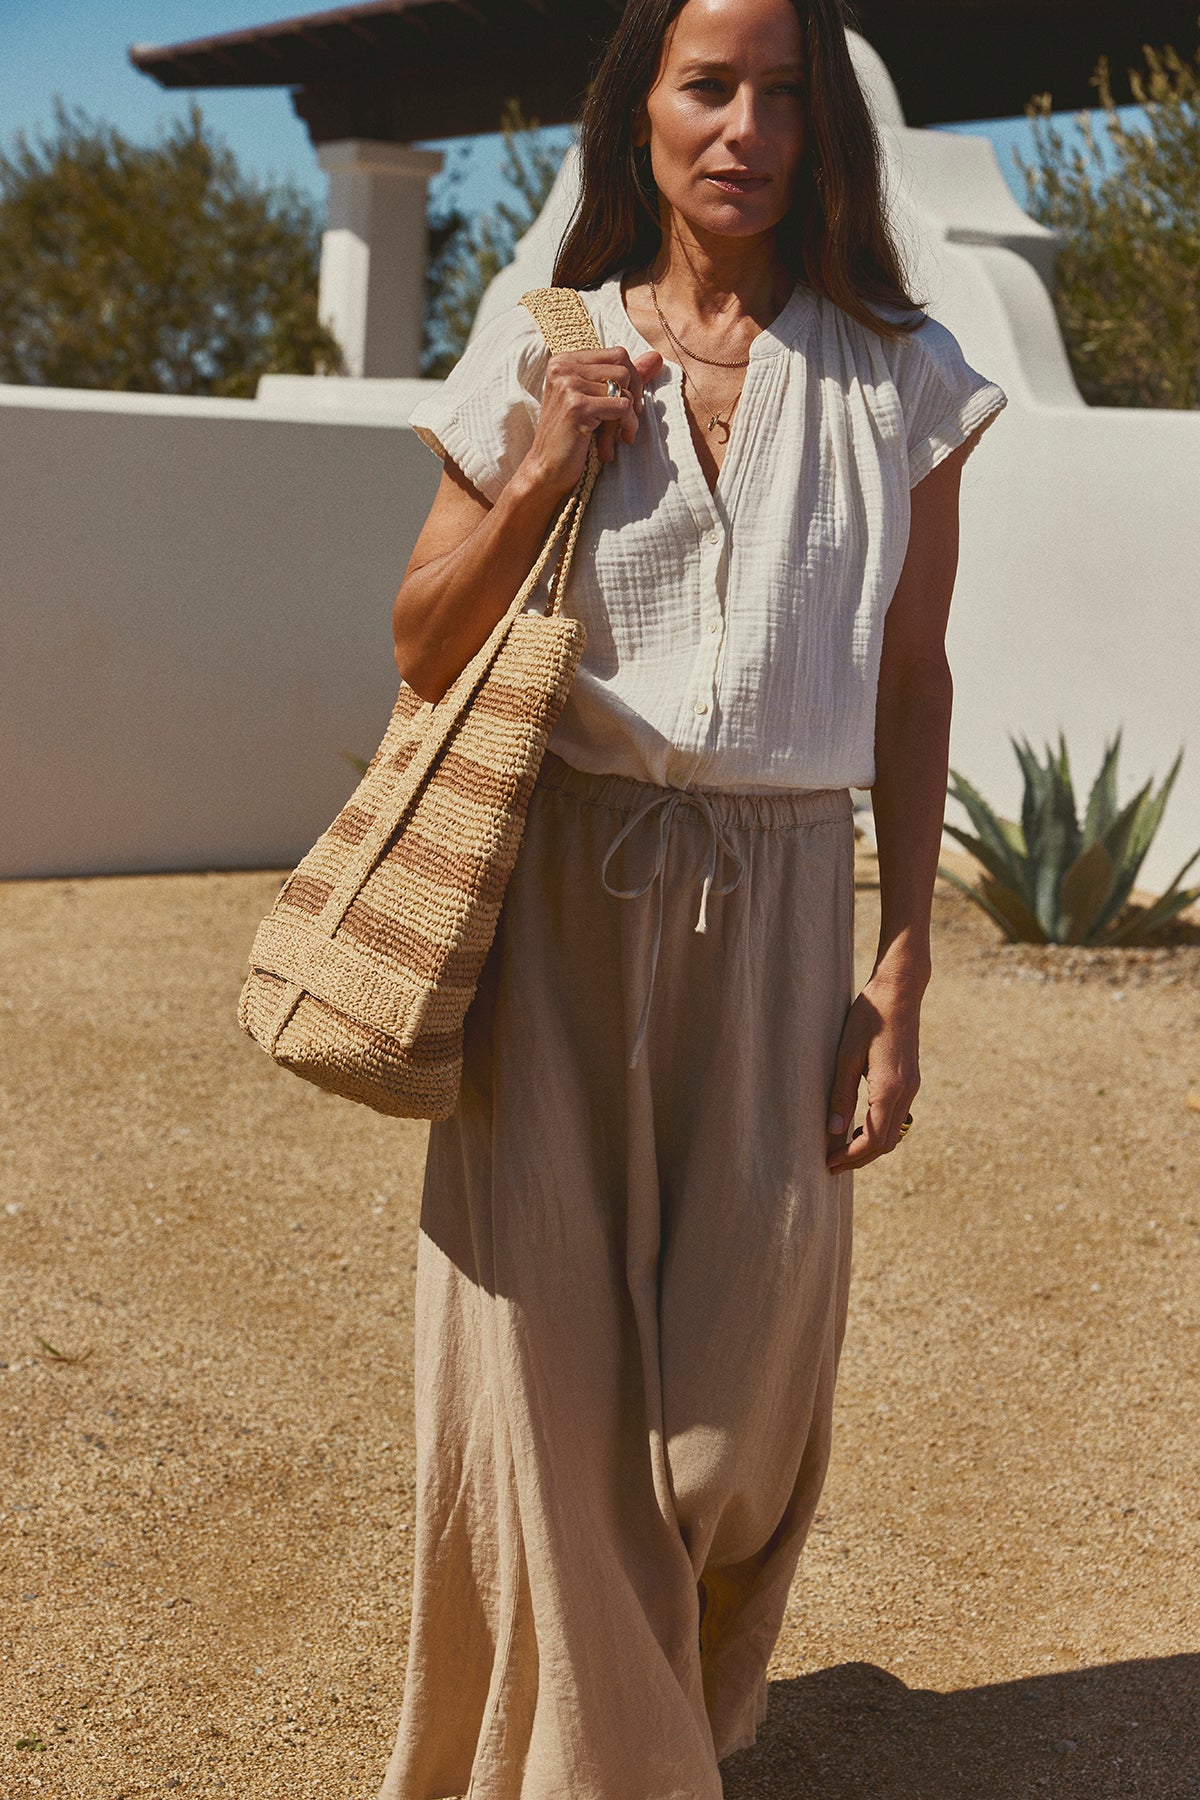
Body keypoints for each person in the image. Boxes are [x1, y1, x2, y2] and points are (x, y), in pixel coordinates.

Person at [379, 0, 1006, 1793]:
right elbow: (425, 646)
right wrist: (547, 469)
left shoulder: (907, 374)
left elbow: (911, 682)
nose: (744, 126)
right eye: (707, 86)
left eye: (782, 95)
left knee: (730, 1431)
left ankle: (659, 1704)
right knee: (552, 1394)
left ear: (826, 134)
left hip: (792, 902)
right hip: (561, 908)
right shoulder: (541, 343)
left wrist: (903, 970)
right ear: (639, 112)